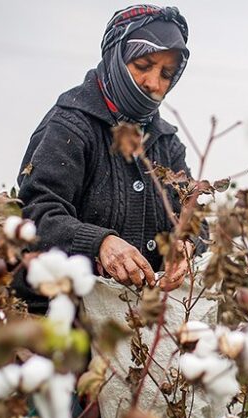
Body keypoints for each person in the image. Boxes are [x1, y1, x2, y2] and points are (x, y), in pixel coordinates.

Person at [13, 4, 202, 312]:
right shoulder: (71, 125)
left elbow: (192, 214)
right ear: (116, 55)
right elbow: (34, 215)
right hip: (54, 320)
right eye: (143, 65)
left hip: (130, 325)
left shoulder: (165, 141)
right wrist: (99, 244)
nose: (154, 84)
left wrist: (187, 244)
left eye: (166, 74)